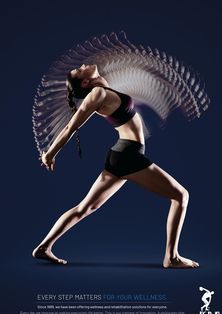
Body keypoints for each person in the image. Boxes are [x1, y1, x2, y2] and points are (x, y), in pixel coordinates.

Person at [32, 64, 199, 269]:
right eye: (79, 69)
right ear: (85, 82)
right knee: (181, 196)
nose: (83, 65)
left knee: (86, 207)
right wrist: (50, 154)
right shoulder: (97, 94)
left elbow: (104, 77)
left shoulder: (102, 88)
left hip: (122, 155)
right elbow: (70, 127)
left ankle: (43, 247)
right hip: (128, 156)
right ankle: (171, 258)